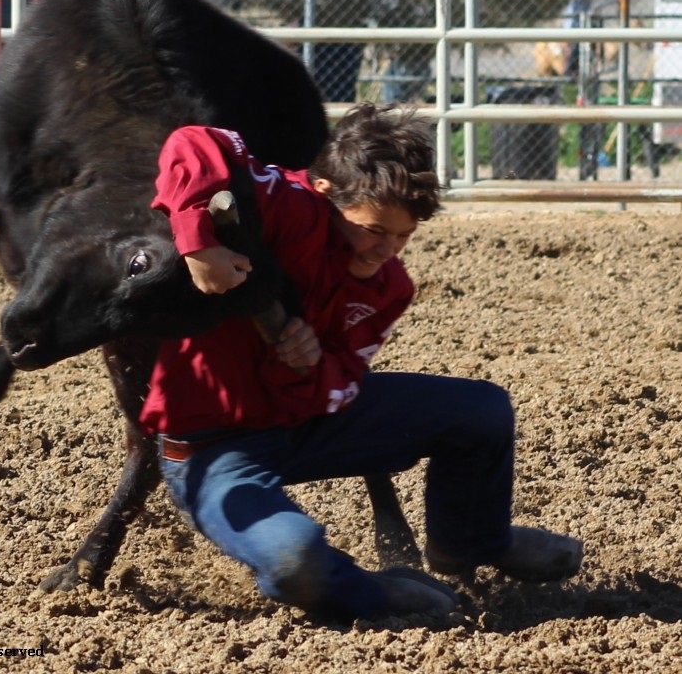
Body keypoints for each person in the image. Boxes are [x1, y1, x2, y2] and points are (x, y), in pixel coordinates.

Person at [142, 102, 583, 621]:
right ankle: (373, 594)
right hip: (211, 449)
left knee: (483, 411)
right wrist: (197, 244)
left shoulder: (389, 287)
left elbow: (345, 379)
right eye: (375, 230)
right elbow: (198, 141)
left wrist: (309, 367)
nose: (387, 250)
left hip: (307, 424)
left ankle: (471, 542)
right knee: (295, 558)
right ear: (327, 192)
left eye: (404, 236)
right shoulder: (289, 204)